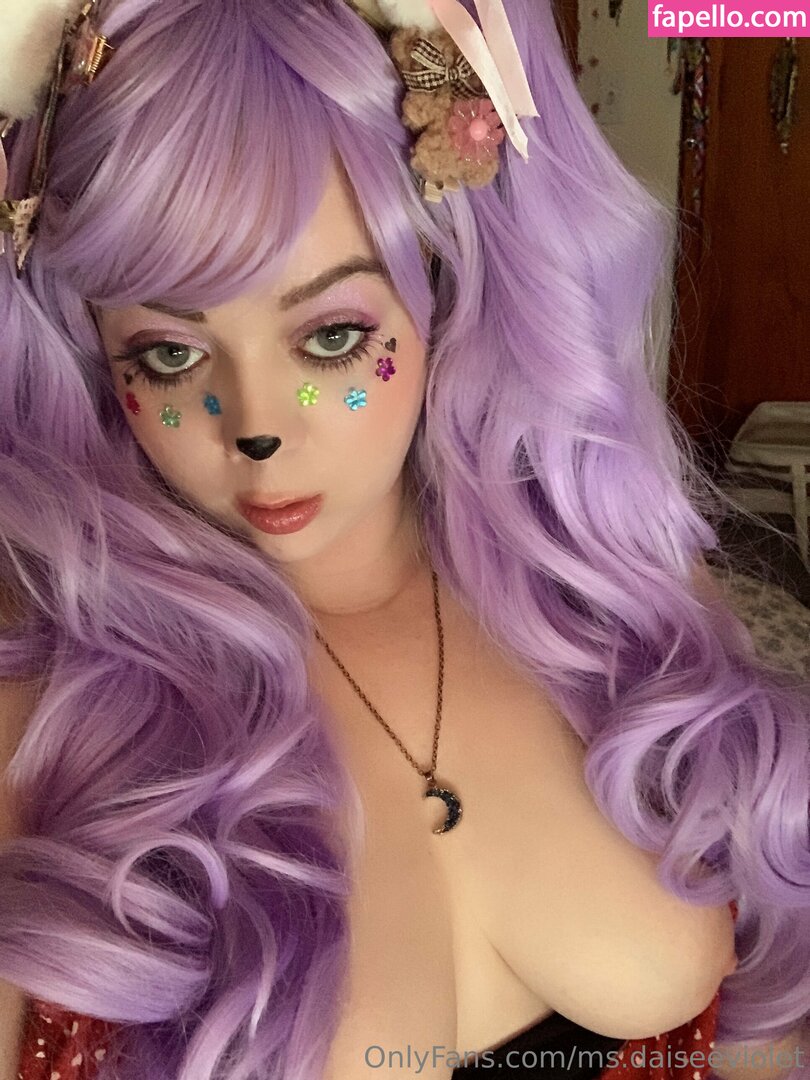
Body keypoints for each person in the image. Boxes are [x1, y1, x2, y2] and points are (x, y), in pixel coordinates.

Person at [0, 0, 808, 1078]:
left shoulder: (604, 593)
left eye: (332, 336)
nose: (257, 430)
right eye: (168, 355)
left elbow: (762, 1022)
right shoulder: (56, 724)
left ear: (446, 285)